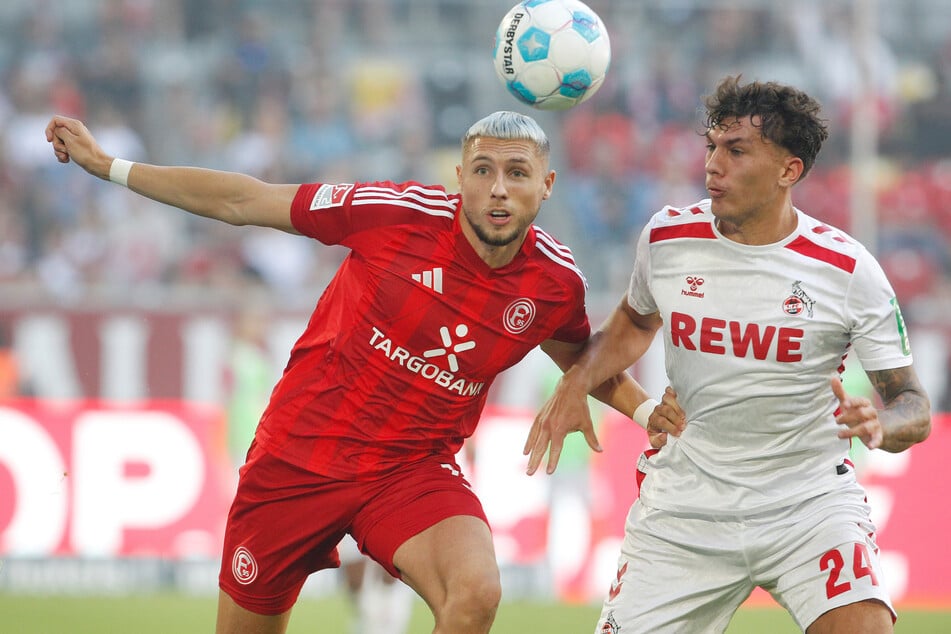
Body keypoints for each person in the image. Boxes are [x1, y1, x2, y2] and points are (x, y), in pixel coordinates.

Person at [45, 110, 662, 634]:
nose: (499, 189)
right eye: (484, 171)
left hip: (410, 472)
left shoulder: (555, 283)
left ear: (547, 185)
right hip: (297, 461)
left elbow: (585, 362)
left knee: (475, 594)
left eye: (517, 174)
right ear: (461, 179)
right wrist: (110, 167)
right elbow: (244, 200)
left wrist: (647, 413)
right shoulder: (393, 214)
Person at [524, 75, 932, 634]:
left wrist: (882, 422)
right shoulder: (667, 238)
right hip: (686, 505)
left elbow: (913, 403)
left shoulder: (848, 270)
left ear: (790, 170)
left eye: (736, 150)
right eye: (712, 146)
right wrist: (577, 380)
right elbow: (634, 323)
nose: (713, 164)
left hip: (807, 502)